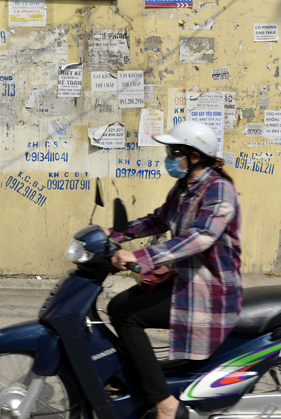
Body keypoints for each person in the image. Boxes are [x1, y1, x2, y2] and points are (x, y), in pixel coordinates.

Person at [105, 121, 242, 419]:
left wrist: (141, 256)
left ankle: (165, 404)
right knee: (118, 305)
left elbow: (200, 237)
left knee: (127, 314)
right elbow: (158, 220)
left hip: (209, 288)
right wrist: (116, 233)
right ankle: (142, 380)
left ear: (194, 156)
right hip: (186, 280)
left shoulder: (219, 190)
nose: (168, 157)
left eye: (174, 151)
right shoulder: (184, 187)